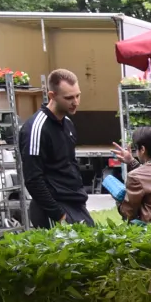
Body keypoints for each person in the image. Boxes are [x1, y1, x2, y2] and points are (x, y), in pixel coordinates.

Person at [21, 68, 92, 227]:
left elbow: (69, 164)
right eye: (69, 98)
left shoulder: (68, 123)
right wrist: (58, 215)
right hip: (53, 209)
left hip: (75, 203)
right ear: (51, 96)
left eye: (77, 95)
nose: (76, 102)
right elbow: (33, 179)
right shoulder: (36, 128)